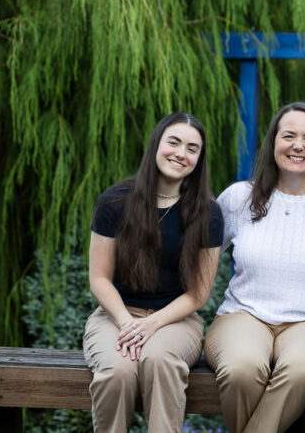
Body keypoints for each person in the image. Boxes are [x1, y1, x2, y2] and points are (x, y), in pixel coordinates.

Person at [205, 102, 305, 433]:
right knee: (241, 369)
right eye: (288, 136)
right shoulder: (238, 198)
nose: (298, 145)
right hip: (243, 316)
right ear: (273, 143)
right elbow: (198, 257)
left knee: (301, 370)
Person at [84, 112, 223, 432]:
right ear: (156, 144)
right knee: (117, 372)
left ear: (199, 160)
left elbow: (198, 293)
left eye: (192, 149)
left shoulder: (208, 214)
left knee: (159, 361)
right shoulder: (114, 202)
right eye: (173, 142)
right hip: (115, 315)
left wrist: (151, 324)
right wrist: (127, 323)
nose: (181, 153)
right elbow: (99, 279)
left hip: (176, 320)